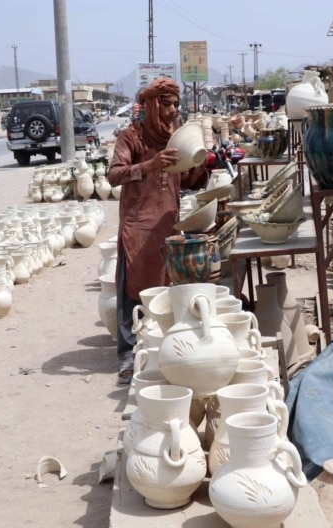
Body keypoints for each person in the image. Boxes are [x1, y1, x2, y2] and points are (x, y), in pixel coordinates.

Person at [107, 78, 208, 384]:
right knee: (134, 288)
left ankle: (164, 346)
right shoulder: (132, 137)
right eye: (167, 105)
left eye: (175, 105)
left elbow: (187, 181)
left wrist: (202, 165)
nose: (172, 111)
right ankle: (129, 352)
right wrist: (149, 166)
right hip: (138, 225)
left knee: (168, 286)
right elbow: (113, 175)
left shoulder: (176, 139)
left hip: (167, 223)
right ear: (152, 105)